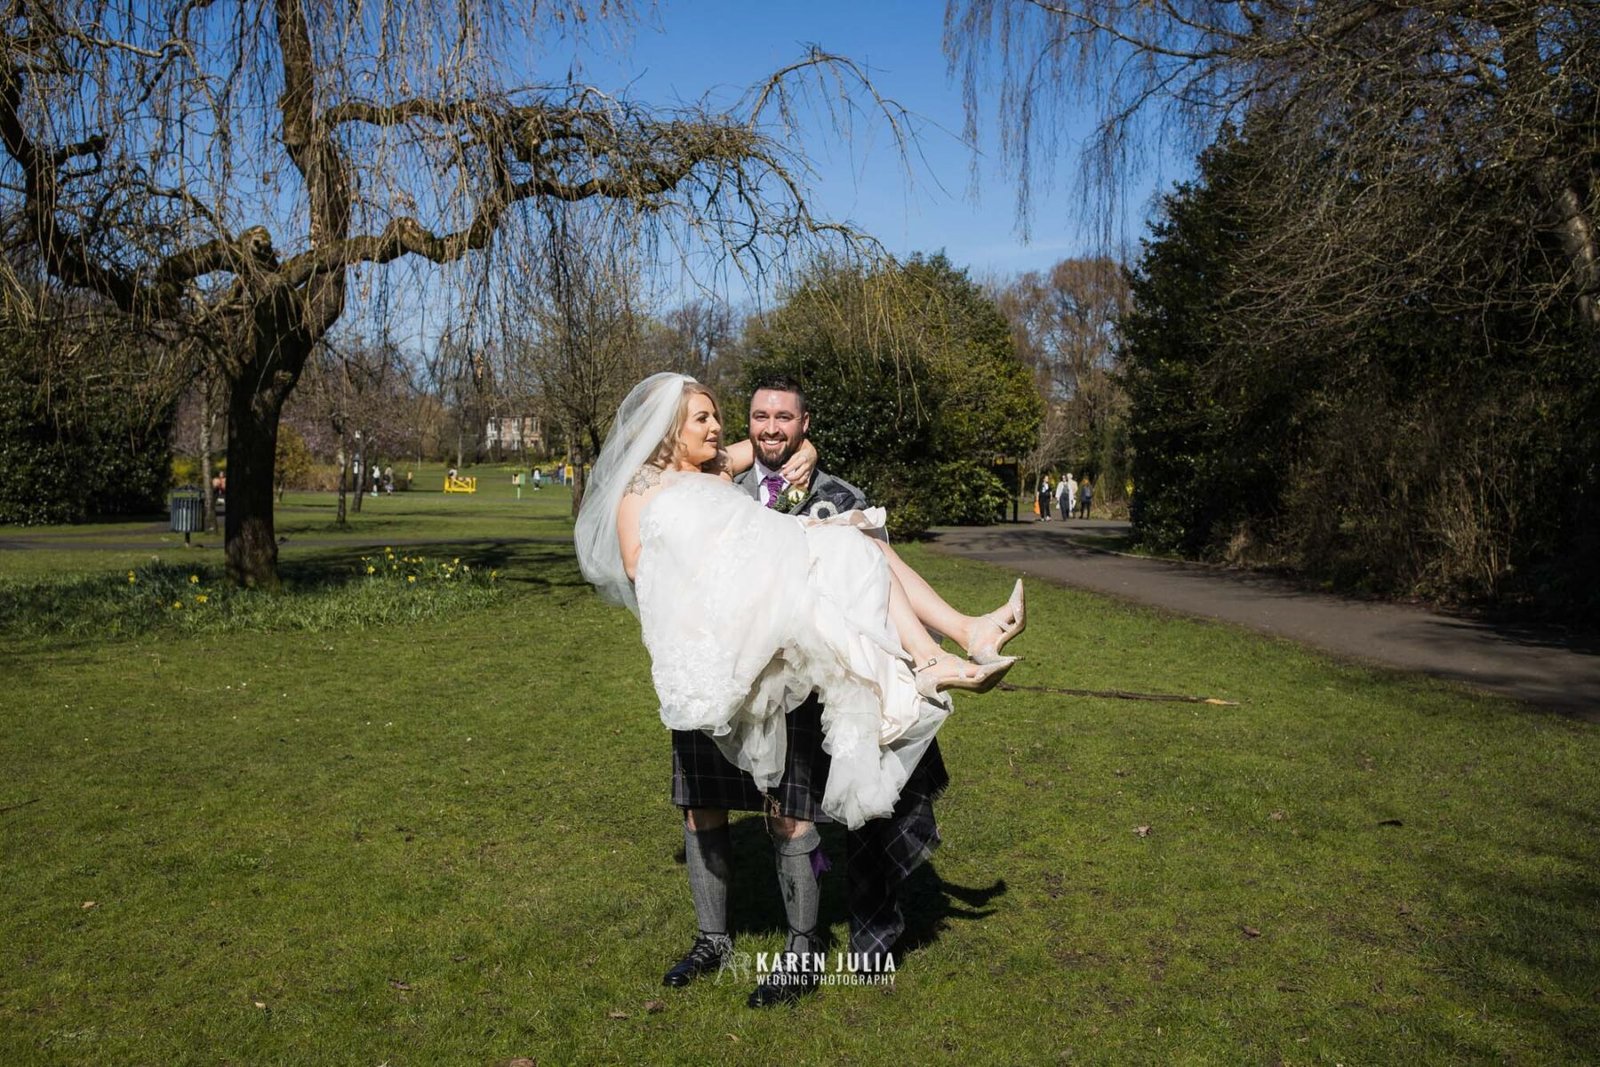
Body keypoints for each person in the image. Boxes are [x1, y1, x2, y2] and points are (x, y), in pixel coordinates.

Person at [574, 373, 1027, 1003]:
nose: (717, 429)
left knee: (792, 810)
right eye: (702, 418)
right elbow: (636, 567)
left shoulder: (717, 473)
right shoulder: (646, 489)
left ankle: (804, 950)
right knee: (700, 805)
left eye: (716, 418)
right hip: (704, 659)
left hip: (774, 658)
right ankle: (712, 940)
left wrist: (795, 456)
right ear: (669, 428)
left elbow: (765, 448)